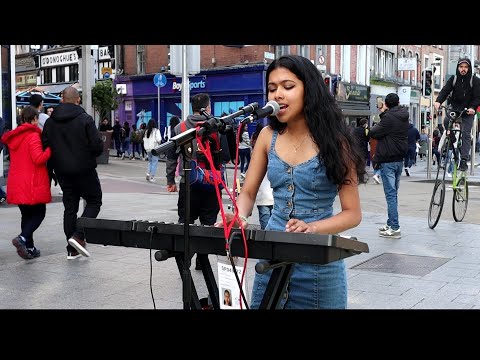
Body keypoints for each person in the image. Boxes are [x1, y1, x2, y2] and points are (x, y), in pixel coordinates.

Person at [215, 55, 366, 309]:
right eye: (272, 89)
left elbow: (353, 214)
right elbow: (249, 192)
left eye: (288, 86)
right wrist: (239, 214)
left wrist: (313, 228)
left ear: (310, 89)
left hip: (319, 266)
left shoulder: (337, 141)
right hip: (272, 258)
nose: (278, 95)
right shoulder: (267, 136)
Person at [166, 93, 234, 271]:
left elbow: (171, 156)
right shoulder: (217, 126)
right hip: (212, 183)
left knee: (185, 221)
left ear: (191, 107)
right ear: (208, 107)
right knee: (208, 223)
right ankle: (201, 261)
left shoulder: (180, 128)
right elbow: (227, 156)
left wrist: (170, 179)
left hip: (188, 182)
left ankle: (185, 258)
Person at [41, 87, 104, 260]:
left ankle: (72, 249)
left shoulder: (50, 122)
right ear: (77, 100)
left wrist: (51, 170)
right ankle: (79, 235)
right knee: (94, 200)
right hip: (84, 169)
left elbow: (45, 146)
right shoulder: (85, 119)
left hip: (62, 170)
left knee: (70, 208)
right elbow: (97, 146)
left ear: (62, 99)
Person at [1, 106, 51, 259]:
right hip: (31, 183)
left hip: (17, 182)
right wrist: (50, 149)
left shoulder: (14, 137)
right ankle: (22, 239)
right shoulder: (33, 136)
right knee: (39, 213)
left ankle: (30, 247)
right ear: (34, 119)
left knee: (26, 215)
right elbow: (38, 158)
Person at [369, 93, 409, 239]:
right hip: (399, 160)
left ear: (386, 104)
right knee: (394, 194)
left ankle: (394, 227)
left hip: (388, 160)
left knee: (390, 195)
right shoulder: (404, 115)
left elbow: (374, 132)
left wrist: (383, 114)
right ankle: (390, 222)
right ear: (398, 102)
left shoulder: (388, 118)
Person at [434, 57, 480, 171]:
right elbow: (445, 90)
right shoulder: (454, 79)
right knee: (446, 122)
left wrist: (472, 108)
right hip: (455, 108)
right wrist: (438, 101)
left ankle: (464, 160)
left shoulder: (475, 80)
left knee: (466, 133)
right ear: (458, 68)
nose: (463, 69)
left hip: (468, 111)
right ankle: (453, 141)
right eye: (461, 67)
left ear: (469, 68)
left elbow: (477, 97)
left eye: (465, 67)